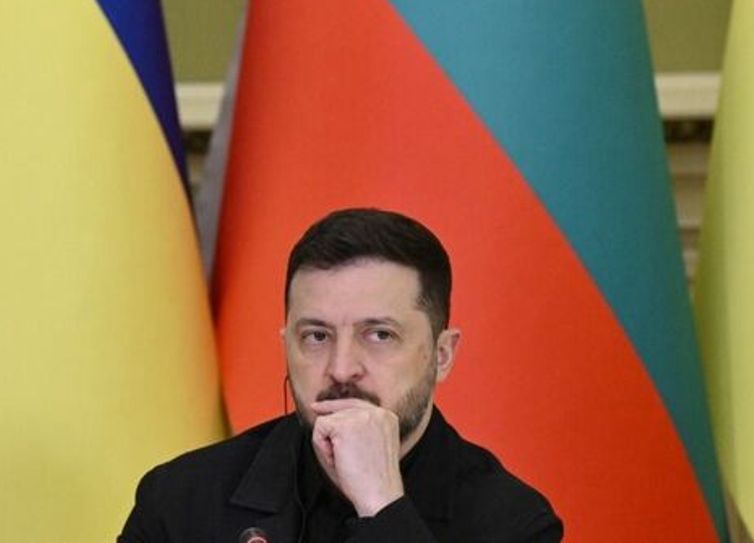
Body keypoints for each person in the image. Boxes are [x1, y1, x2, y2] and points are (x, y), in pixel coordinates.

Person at [119, 208, 563, 542]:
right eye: (316, 336)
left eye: (380, 335)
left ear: (442, 355)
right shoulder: (181, 500)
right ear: (285, 345)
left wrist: (383, 506)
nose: (341, 368)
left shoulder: (514, 524)